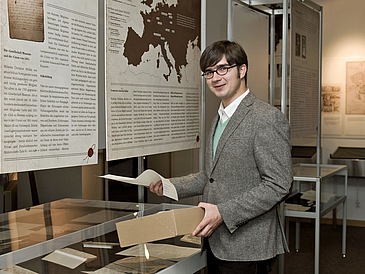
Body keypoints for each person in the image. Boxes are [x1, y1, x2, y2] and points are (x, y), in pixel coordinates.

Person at [148, 40, 293, 274]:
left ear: (242, 70)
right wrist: (170, 186)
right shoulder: (219, 118)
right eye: (209, 72)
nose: (216, 77)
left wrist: (223, 213)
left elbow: (278, 185)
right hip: (217, 242)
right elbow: (214, 176)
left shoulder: (266, 118)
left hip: (249, 246)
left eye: (223, 69)